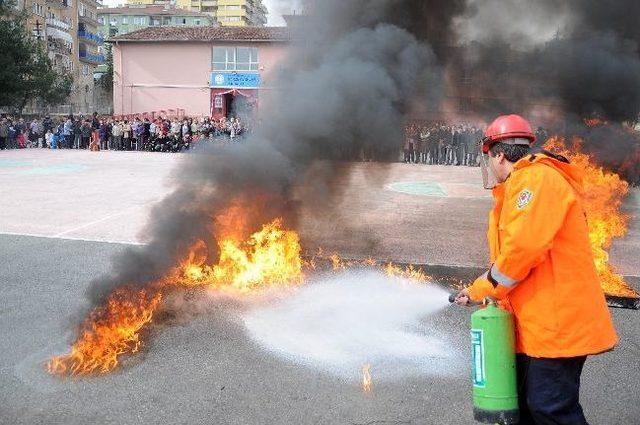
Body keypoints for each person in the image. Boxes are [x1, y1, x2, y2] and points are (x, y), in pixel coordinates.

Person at [453, 114, 618, 425]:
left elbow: (522, 251)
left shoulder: (535, 181)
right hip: (537, 323)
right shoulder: (524, 183)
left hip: (556, 324)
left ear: (498, 154)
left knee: (550, 410)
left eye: (489, 158)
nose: (489, 165)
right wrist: (485, 292)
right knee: (528, 410)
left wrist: (482, 288)